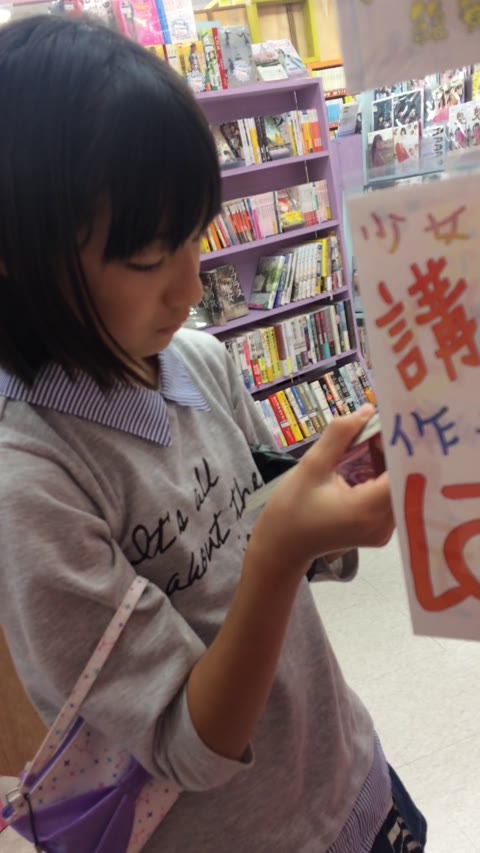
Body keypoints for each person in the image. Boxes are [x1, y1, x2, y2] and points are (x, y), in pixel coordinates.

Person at [0, 16, 427, 853]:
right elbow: (185, 745)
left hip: (344, 772)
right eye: (149, 257)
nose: (192, 288)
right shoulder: (33, 486)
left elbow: (278, 529)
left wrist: (346, 490)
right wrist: (280, 550)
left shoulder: (197, 361)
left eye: (197, 238)